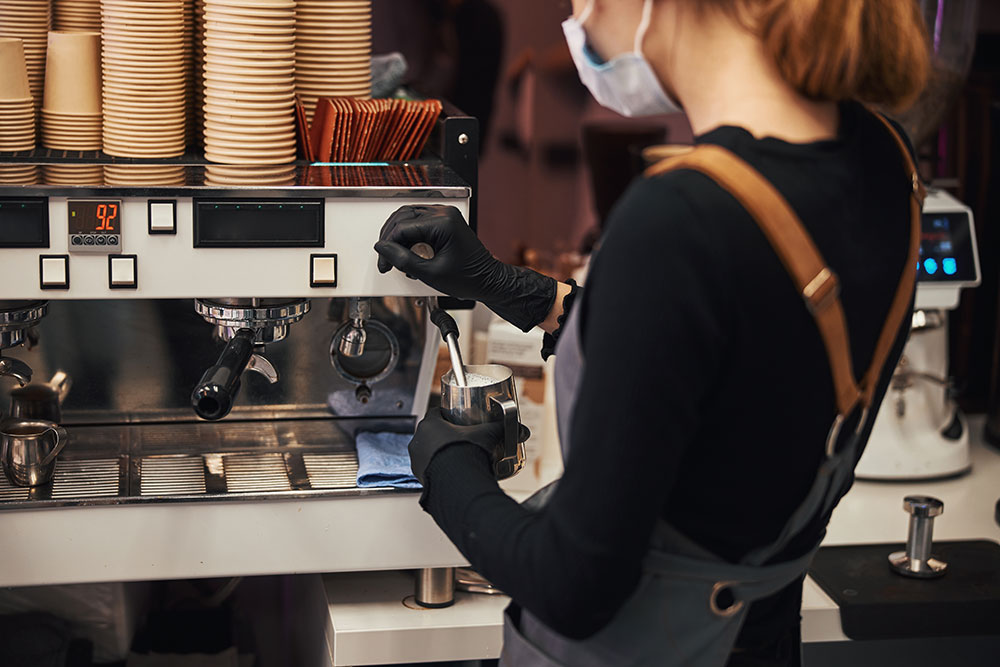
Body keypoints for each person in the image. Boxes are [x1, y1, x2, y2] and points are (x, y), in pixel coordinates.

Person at [373, 0, 930, 665]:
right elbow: (726, 365)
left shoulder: (679, 218)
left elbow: (572, 583)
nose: (575, 17)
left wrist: (446, 465)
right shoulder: (884, 160)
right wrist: (514, 287)